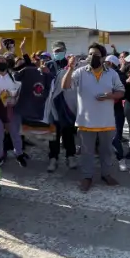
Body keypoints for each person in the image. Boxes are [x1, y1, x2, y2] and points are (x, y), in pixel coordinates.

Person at [62, 43, 125, 191]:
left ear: (103, 57)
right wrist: (70, 68)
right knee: (86, 153)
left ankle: (106, 174)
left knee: (106, 151)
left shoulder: (112, 73)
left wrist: (110, 96)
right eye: (90, 54)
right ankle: (87, 177)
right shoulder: (80, 72)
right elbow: (65, 86)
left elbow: (121, 92)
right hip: (85, 122)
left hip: (106, 122)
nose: (91, 57)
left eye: (95, 55)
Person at [44, 41, 78, 172]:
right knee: (53, 132)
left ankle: (71, 156)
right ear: (53, 51)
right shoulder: (48, 65)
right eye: (56, 51)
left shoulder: (71, 64)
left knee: (68, 131)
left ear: (65, 50)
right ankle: (53, 158)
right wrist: (45, 74)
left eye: (60, 50)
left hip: (67, 102)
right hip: (52, 103)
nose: (58, 53)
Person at [0, 53, 29, 166]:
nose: (1, 61)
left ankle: (19, 154)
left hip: (12, 109)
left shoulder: (13, 76)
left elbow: (19, 90)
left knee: (15, 133)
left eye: (3, 59)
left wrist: (14, 97)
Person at [105, 54, 129, 172]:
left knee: (115, 137)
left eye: (106, 62)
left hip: (116, 110)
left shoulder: (119, 76)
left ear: (110, 63)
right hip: (104, 109)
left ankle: (121, 159)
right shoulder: (103, 74)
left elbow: (120, 93)